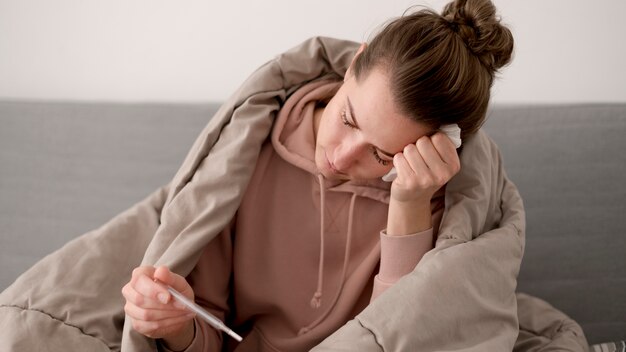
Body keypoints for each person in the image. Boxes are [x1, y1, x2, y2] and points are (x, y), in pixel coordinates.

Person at [122, 0, 514, 350]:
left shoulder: (437, 202)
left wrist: (408, 207)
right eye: (347, 118)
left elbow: (397, 338)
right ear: (353, 65)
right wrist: (176, 328)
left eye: (380, 154)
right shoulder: (249, 154)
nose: (341, 158)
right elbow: (209, 334)